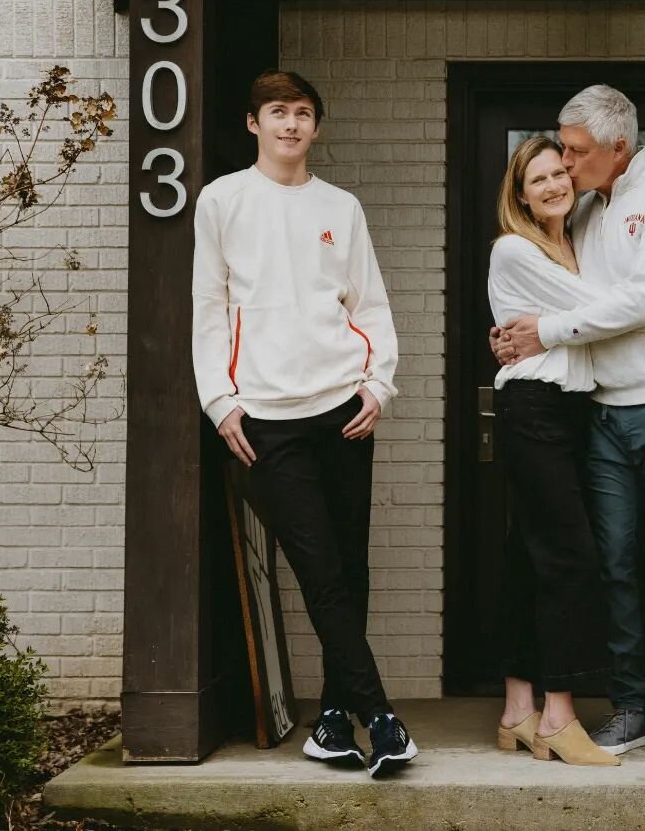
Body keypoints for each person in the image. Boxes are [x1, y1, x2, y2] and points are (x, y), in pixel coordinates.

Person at [191, 69, 417, 779]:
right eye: (278, 112)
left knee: (348, 568)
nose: (291, 124)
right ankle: (381, 719)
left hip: (345, 409)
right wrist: (221, 402)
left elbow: (371, 303)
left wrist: (378, 385)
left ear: (316, 127)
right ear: (253, 123)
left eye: (304, 114)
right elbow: (208, 307)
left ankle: (328, 721)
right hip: (268, 418)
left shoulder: (340, 207)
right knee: (319, 566)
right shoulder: (222, 200)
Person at [494, 85, 645, 767]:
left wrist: (546, 330)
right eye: (561, 150)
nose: (564, 164)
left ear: (619, 147)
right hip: (602, 408)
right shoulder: (587, 213)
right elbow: (596, 302)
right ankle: (630, 708)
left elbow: (638, 300)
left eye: (575, 151)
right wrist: (523, 331)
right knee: (616, 564)